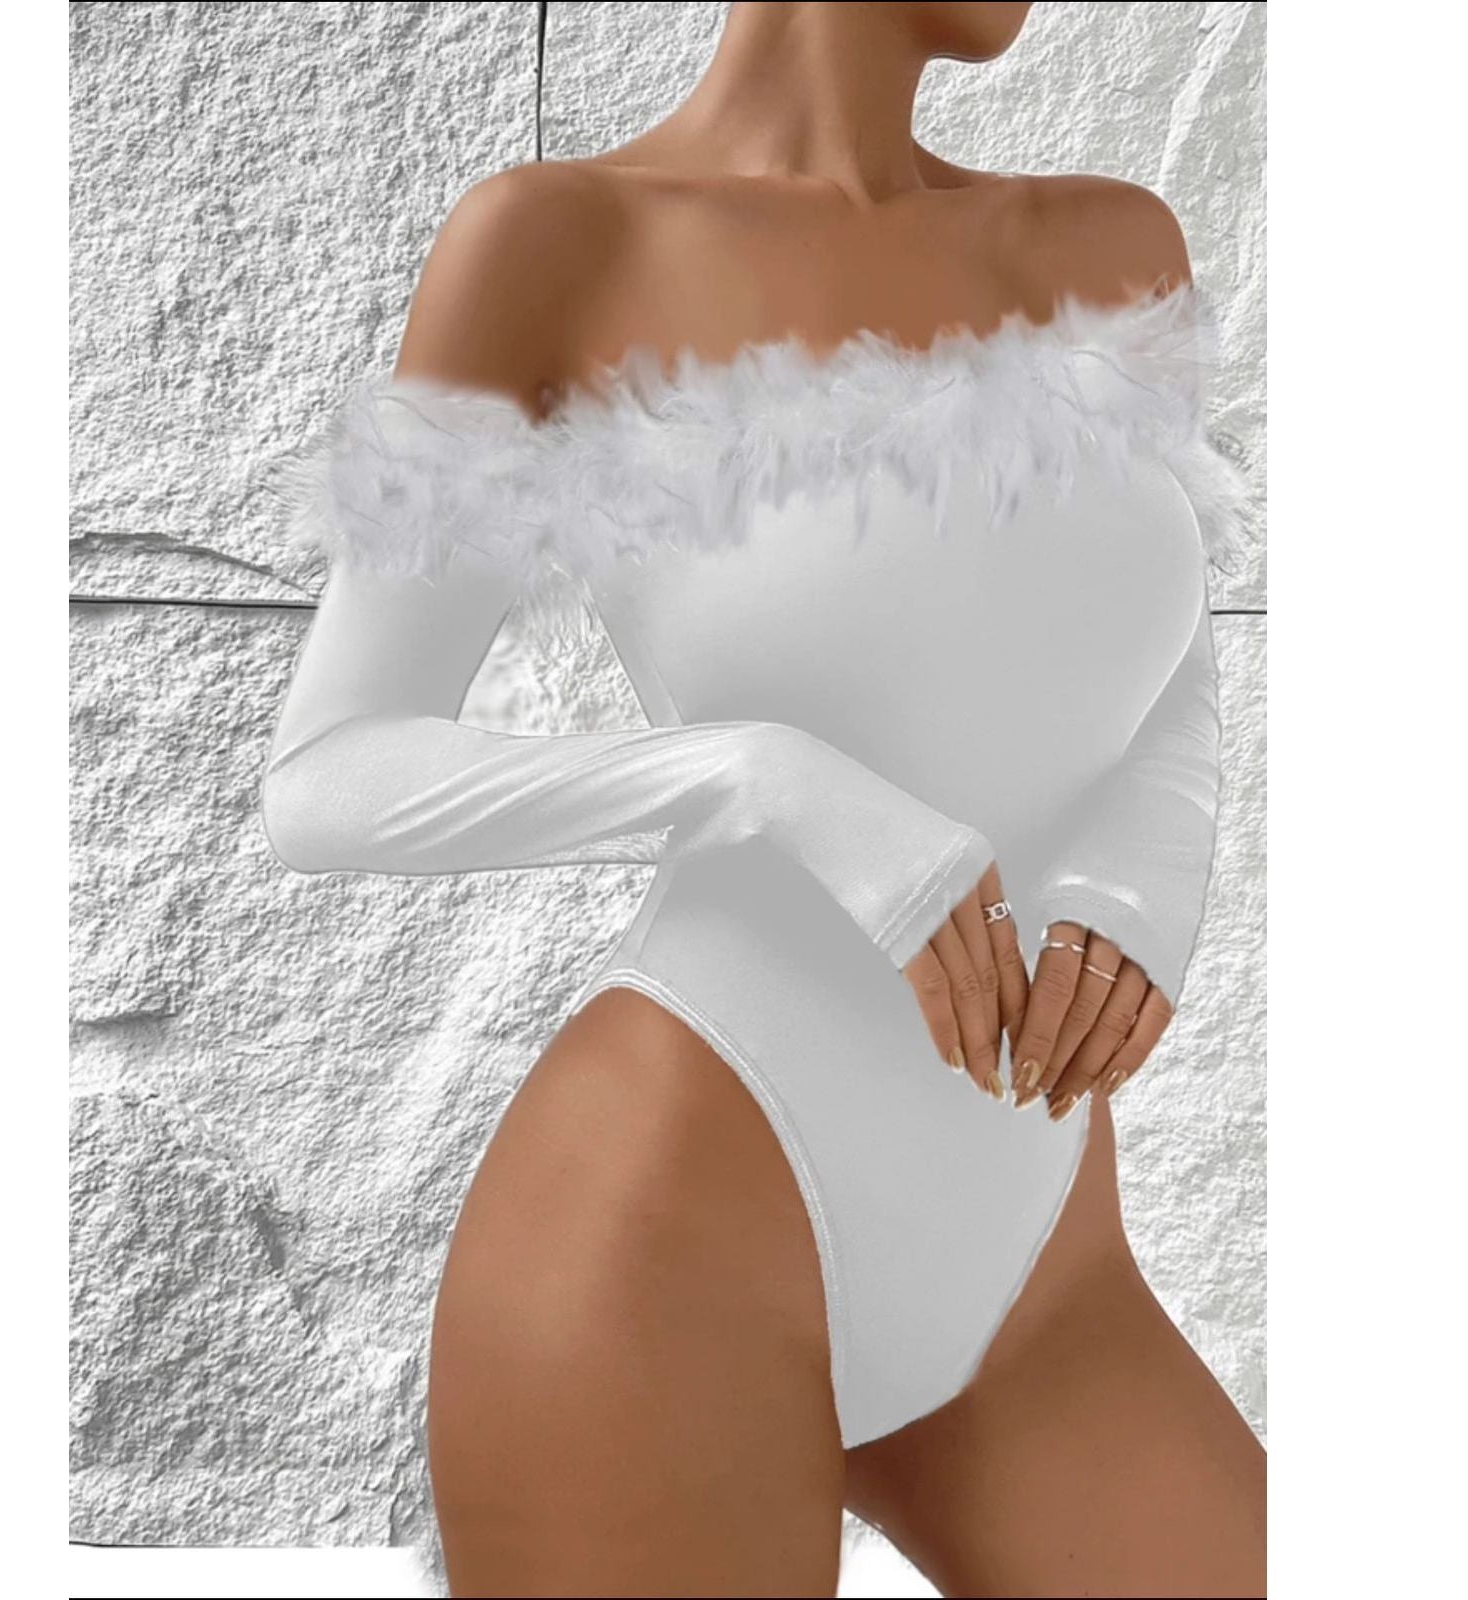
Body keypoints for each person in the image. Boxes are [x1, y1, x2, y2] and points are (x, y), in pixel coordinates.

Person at [259, 3, 1266, 1594]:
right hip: (658, 1251)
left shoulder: (1110, 246)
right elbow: (328, 774)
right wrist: (759, 779)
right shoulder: (561, 246)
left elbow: (1168, 661)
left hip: (1042, 1278)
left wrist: (1144, 885)